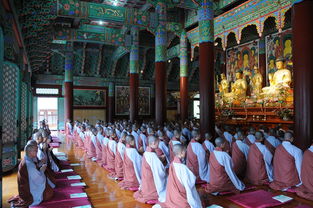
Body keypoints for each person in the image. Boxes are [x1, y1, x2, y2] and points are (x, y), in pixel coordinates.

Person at [153, 144, 203, 208]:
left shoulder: (172, 164)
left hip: (172, 195)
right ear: (182, 153)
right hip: (181, 199)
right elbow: (190, 183)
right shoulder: (182, 167)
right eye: (185, 151)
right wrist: (190, 173)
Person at [134, 136, 167, 204]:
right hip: (152, 182)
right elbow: (160, 172)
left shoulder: (146, 152)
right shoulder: (152, 155)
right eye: (158, 143)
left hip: (146, 179)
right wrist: (165, 170)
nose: (158, 145)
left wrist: (159, 159)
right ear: (153, 143)